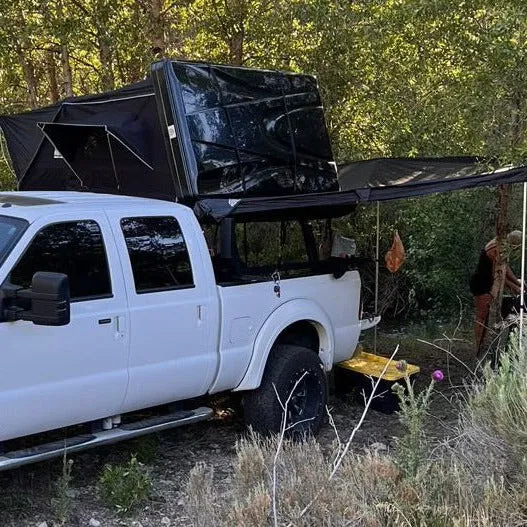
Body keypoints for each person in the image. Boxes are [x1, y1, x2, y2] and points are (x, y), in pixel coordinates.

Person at [470, 230, 523, 353]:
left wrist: (517, 282)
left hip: (488, 282)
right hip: (481, 283)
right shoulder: (496, 248)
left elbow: (505, 268)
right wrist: (515, 287)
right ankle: (478, 348)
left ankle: (483, 346)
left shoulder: (502, 246)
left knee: (487, 317)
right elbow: (499, 274)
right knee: (481, 317)